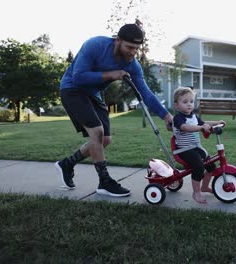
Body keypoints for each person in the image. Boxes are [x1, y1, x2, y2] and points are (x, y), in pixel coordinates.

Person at [55, 23, 173, 197]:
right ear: (117, 40)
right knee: (97, 132)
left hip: (94, 94)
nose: (133, 52)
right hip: (72, 89)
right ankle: (104, 182)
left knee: (105, 140)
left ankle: (67, 164)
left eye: (136, 48)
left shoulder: (133, 65)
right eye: (129, 47)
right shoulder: (95, 45)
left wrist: (167, 116)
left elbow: (146, 94)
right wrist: (112, 74)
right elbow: (78, 77)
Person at [172, 87, 226, 204]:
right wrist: (200, 128)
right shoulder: (178, 118)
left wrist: (216, 123)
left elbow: (204, 123)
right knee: (199, 167)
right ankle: (196, 193)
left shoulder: (193, 116)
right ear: (176, 105)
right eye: (185, 102)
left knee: (211, 165)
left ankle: (205, 186)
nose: (189, 105)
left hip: (196, 148)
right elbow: (185, 127)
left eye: (191, 101)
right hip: (184, 150)